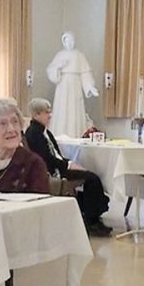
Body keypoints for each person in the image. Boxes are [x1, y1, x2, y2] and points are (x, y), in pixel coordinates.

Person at [25, 97, 110, 236]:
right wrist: (68, 165)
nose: (50, 115)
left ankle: (91, 214)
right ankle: (92, 220)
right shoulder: (34, 133)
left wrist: (69, 162)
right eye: (46, 112)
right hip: (53, 171)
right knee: (92, 179)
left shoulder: (44, 132)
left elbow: (56, 155)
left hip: (59, 166)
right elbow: (46, 159)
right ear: (36, 114)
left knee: (90, 176)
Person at [46, 31, 99, 138]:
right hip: (63, 86)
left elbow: (85, 73)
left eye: (71, 41)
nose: (70, 43)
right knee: (62, 109)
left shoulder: (79, 55)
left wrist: (90, 87)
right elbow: (51, 70)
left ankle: (75, 135)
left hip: (75, 86)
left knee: (74, 111)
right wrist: (59, 66)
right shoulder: (60, 55)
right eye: (67, 41)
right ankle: (59, 134)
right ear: (64, 42)